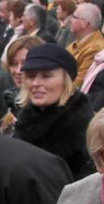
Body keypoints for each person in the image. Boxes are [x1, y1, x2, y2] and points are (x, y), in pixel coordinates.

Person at [10, 45, 95, 179]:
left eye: (46, 76)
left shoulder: (79, 126)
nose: (36, 83)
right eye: (31, 77)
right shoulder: (26, 117)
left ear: (65, 80)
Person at [65, 3, 104, 89]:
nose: (70, 20)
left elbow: (79, 82)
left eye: (74, 17)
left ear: (84, 23)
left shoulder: (95, 49)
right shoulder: (76, 43)